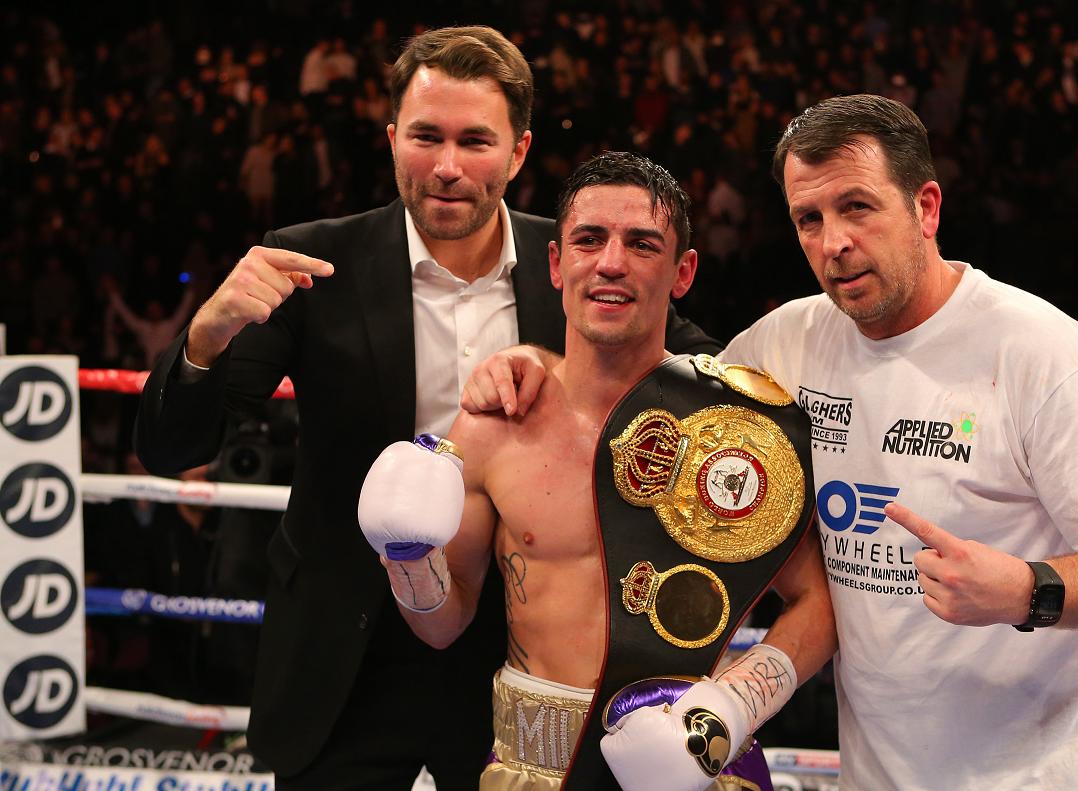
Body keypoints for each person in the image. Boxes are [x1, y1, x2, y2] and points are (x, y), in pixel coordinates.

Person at [463, 94, 1078, 789]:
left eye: (857, 208)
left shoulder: (1039, 352)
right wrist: (530, 364)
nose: (835, 242)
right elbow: (635, 360)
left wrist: (1026, 588)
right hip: (877, 773)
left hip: (1043, 773)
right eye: (808, 219)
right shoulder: (785, 346)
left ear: (926, 207)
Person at [134, 27, 716, 790]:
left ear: (517, 152)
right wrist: (205, 336)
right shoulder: (315, 265)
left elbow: (707, 375)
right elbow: (170, 448)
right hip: (348, 650)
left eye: (476, 140)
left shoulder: (575, 260)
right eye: (425, 137)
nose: (446, 167)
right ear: (392, 139)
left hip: (515, 655)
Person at [357, 152, 835, 790]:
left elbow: (819, 601)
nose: (612, 262)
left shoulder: (731, 427)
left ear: (682, 271)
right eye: (589, 240)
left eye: (642, 244)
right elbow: (444, 625)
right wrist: (408, 558)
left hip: (690, 766)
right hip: (531, 766)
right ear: (556, 263)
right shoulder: (495, 423)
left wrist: (728, 709)